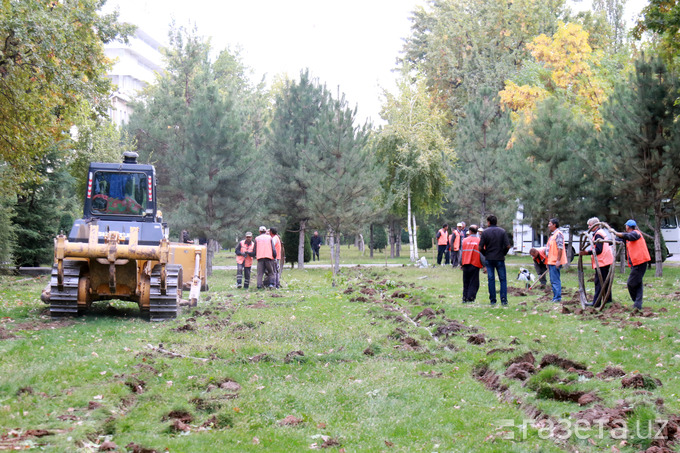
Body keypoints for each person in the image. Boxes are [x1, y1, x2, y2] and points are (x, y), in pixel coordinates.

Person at [614, 219, 651, 310]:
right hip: (636, 262)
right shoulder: (628, 236)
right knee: (638, 283)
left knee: (631, 283)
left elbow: (628, 236)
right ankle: (637, 304)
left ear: (628, 227)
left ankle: (637, 302)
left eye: (626, 226)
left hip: (640, 261)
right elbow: (618, 239)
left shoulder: (636, 233)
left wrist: (616, 232)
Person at [579, 217, 614, 307]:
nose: (588, 227)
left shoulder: (598, 234)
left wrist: (587, 252)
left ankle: (596, 303)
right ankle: (608, 300)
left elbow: (598, 249)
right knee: (605, 281)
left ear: (595, 225)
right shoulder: (599, 233)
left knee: (599, 282)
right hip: (605, 260)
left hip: (602, 261)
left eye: (590, 225)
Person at [479, 215, 511, 306]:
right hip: (500, 258)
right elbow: (508, 246)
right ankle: (504, 300)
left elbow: (480, 247)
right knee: (503, 279)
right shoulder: (502, 231)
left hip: (489, 258)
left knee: (491, 279)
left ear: (489, 222)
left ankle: (493, 300)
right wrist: (503, 253)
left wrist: (485, 253)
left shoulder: (485, 232)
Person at [460, 225, 486, 303]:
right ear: (477, 231)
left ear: (470, 231)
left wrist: (461, 263)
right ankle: (470, 298)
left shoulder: (464, 240)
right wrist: (485, 265)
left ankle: (464, 298)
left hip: (465, 263)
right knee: (474, 283)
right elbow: (482, 254)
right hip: (475, 264)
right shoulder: (479, 241)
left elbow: (461, 253)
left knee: (466, 282)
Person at [546, 218, 567, 303]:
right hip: (551, 261)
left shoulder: (558, 234)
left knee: (555, 280)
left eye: (549, 224)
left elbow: (560, 248)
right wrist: (547, 262)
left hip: (555, 261)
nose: (548, 225)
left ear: (554, 225)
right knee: (552, 280)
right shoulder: (553, 236)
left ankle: (557, 298)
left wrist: (558, 260)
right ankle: (555, 297)